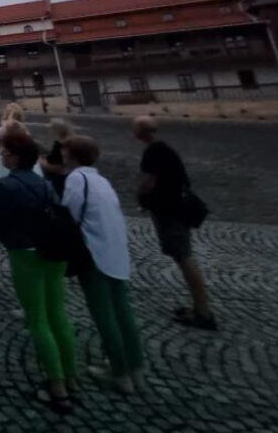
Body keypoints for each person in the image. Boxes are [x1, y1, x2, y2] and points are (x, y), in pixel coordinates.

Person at [0, 130, 78, 415]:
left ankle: (57, 387)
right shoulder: (45, 184)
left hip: (26, 255)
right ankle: (71, 376)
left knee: (37, 319)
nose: (2, 155)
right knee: (58, 313)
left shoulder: (6, 186)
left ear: (15, 158)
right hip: (54, 252)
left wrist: (14, 242)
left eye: (5, 153)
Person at [62, 135, 144, 394]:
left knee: (104, 315)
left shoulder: (77, 179)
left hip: (93, 253)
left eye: (65, 152)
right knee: (123, 311)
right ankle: (136, 368)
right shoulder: (101, 180)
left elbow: (69, 214)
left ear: (72, 155)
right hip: (115, 251)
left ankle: (119, 373)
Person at [134, 116, 215, 329]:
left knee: (184, 256)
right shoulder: (164, 149)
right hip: (174, 207)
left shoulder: (154, 152)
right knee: (182, 255)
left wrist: (141, 198)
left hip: (170, 210)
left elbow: (149, 183)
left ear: (140, 131)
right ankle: (199, 307)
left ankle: (203, 312)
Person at [40, 118, 73, 197]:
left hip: (57, 181)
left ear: (55, 131)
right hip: (67, 179)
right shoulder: (71, 142)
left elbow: (58, 168)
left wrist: (39, 161)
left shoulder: (59, 145)